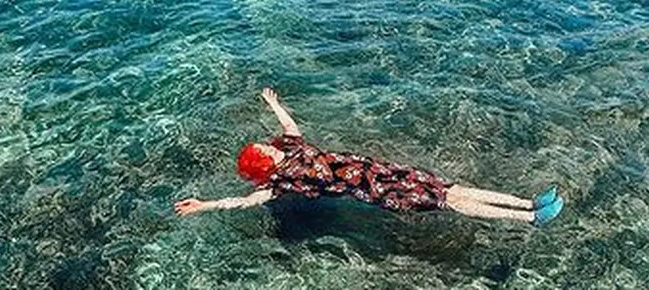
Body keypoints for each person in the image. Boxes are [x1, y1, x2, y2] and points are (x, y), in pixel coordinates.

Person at [174, 89, 565, 226]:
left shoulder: (289, 148)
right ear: (263, 164)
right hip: (384, 193)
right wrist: (205, 205)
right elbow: (244, 201)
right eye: (262, 149)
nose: (267, 144)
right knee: (455, 202)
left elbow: (291, 127)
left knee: (455, 187)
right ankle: (530, 218)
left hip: (387, 172)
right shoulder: (282, 182)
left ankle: (528, 201)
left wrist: (273, 104)